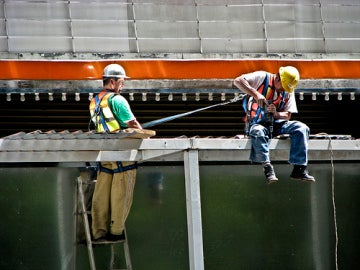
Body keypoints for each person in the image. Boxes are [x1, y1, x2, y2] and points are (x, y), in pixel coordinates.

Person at [233, 66, 315, 184]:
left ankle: (299, 168)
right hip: (259, 123)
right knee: (257, 132)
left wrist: (276, 113)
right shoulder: (262, 77)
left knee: (302, 128)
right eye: (282, 87)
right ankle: (267, 167)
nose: (283, 90)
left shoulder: (288, 90)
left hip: (277, 124)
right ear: (277, 78)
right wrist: (256, 94)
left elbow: (287, 115)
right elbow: (237, 81)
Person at [89, 63, 142, 242]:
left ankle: (99, 231)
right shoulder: (118, 100)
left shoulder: (95, 101)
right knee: (121, 193)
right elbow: (132, 124)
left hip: (104, 153)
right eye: (121, 81)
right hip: (122, 153)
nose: (123, 85)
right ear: (112, 81)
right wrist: (145, 135)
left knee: (102, 193)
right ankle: (116, 232)